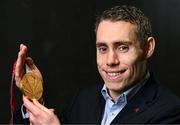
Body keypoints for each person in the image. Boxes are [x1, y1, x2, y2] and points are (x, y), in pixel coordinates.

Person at [14, 5, 180, 124]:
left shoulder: (170, 111)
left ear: (148, 48)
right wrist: (33, 96)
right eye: (102, 48)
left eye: (123, 47)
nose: (110, 61)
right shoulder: (83, 100)